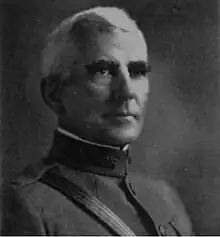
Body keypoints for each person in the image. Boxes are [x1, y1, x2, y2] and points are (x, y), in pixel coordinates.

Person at [2, 6, 193, 236]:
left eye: (137, 71)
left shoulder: (165, 199)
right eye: (103, 71)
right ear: (54, 93)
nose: (126, 91)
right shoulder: (26, 205)